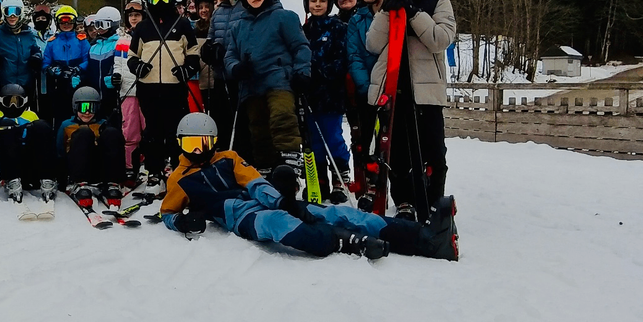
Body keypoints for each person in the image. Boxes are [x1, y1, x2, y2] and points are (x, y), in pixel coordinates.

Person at [158, 113, 458, 261]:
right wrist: (182, 219)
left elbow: (254, 181)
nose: (198, 151)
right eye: (190, 144)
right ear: (180, 143)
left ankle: (426, 238)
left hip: (267, 202)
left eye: (204, 143)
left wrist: (281, 199)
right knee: (278, 223)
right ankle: (343, 242)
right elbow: (167, 212)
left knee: (339, 212)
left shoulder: (229, 158)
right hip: (241, 215)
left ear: (214, 141)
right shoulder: (180, 179)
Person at [367, 0, 456, 220]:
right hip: (394, 88)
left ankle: (432, 202)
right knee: (398, 154)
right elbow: (372, 44)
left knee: (434, 152)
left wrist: (414, 13)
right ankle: (403, 202)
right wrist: (385, 13)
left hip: (426, 90)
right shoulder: (387, 6)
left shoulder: (437, 0)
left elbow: (440, 40)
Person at [223, 0, 310, 172]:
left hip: (279, 79)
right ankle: (265, 167)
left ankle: (289, 162)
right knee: (258, 128)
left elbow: (300, 46)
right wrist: (236, 69)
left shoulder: (284, 17)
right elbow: (230, 55)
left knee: (281, 117)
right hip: (252, 85)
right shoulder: (238, 26)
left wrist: (302, 72)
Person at [126, 0, 198, 194]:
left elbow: (193, 53)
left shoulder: (182, 24)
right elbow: (132, 56)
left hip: (174, 87)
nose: (159, 2)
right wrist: (138, 68)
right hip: (148, 88)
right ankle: (154, 173)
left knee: (175, 131)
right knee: (153, 132)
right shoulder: (143, 28)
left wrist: (186, 70)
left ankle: (177, 171)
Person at [302, 0, 352, 201]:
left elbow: (343, 60)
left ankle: (340, 177)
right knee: (313, 139)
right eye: (313, 0)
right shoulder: (303, 30)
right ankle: (319, 179)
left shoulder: (338, 28)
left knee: (332, 136)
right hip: (309, 95)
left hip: (330, 93)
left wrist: (321, 71)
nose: (317, 4)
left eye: (322, 1)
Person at [204, 0, 252, 156]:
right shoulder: (219, 10)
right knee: (221, 128)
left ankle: (246, 166)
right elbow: (211, 37)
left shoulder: (250, 7)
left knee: (243, 129)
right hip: (220, 79)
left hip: (243, 80)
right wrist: (208, 51)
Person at [345, 0, 385, 192]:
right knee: (367, 140)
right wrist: (365, 86)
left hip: (394, 87)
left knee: (390, 141)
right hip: (368, 88)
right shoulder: (357, 20)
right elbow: (354, 55)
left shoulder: (393, 11)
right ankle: (370, 186)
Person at [0, 83, 56, 203]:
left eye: (17, 101)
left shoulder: (31, 116)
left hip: (29, 161)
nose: (13, 105)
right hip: (7, 163)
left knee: (41, 126)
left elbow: (41, 143)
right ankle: (12, 180)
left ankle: (46, 178)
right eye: (9, 101)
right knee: (6, 126)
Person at [55, 86, 126, 206]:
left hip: (98, 168)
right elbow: (59, 152)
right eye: (83, 108)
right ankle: (80, 184)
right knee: (83, 132)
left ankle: (112, 183)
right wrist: (60, 179)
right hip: (76, 168)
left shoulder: (103, 124)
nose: (87, 112)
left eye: (91, 108)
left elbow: (114, 148)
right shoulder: (66, 125)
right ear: (75, 107)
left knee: (112, 133)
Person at [42, 4, 89, 130]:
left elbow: (87, 59)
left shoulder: (81, 41)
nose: (66, 25)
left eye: (69, 22)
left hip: (77, 82)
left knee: (78, 112)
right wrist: (53, 70)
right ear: (58, 23)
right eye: (63, 22)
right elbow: (46, 62)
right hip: (58, 84)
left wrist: (78, 70)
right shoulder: (52, 42)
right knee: (59, 115)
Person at [0, 0, 42, 99]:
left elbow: (36, 50)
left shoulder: (28, 34)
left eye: (16, 11)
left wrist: (36, 57)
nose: (12, 16)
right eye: (8, 11)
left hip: (26, 83)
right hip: (7, 84)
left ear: (21, 13)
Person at [81, 5, 123, 122]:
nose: (98, 29)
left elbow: (123, 66)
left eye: (103, 25)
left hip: (113, 95)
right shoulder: (94, 47)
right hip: (95, 95)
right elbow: (89, 69)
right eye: (97, 24)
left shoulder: (119, 43)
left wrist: (116, 78)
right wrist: (81, 77)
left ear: (113, 25)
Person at [118, 0, 145, 183]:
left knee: (149, 127)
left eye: (137, 15)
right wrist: (116, 77)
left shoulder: (149, 36)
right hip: (127, 91)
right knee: (129, 130)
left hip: (147, 88)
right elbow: (118, 64)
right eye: (131, 16)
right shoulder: (122, 40)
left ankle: (147, 164)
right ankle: (129, 166)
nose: (134, 19)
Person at [192, 0, 216, 115]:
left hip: (215, 81)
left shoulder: (216, 26)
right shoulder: (195, 29)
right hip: (201, 80)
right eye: (200, 7)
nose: (204, 10)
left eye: (207, 7)